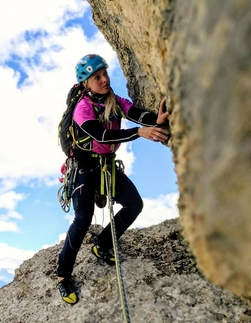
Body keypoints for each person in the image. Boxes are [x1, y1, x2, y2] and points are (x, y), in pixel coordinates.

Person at [56, 54, 170, 305]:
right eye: (96, 77)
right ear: (85, 83)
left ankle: (102, 244)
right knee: (83, 217)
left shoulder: (113, 101)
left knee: (134, 204)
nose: (104, 79)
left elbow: (135, 113)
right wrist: (140, 133)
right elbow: (102, 135)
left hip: (105, 164)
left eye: (105, 73)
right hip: (84, 166)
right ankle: (63, 276)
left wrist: (155, 121)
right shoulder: (82, 108)